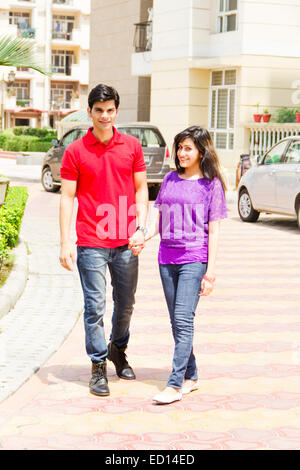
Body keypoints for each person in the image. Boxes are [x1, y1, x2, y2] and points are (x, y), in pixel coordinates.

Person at [59, 84, 148, 397]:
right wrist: (64, 242)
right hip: (91, 241)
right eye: (99, 110)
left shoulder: (132, 147)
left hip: (126, 239)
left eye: (110, 110)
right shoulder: (75, 151)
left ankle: (117, 350)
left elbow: (140, 189)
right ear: (90, 112)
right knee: (94, 306)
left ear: (116, 112)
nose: (105, 116)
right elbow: (67, 197)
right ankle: (98, 366)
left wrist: (141, 228)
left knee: (126, 304)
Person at [142, 126, 227, 404]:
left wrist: (210, 273)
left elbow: (213, 231)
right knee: (177, 323)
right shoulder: (169, 179)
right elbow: (160, 219)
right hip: (166, 258)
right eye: (179, 147)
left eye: (188, 148)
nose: (182, 153)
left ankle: (175, 384)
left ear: (201, 151)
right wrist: (143, 236)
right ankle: (192, 376)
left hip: (194, 258)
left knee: (182, 319)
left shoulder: (211, 184)